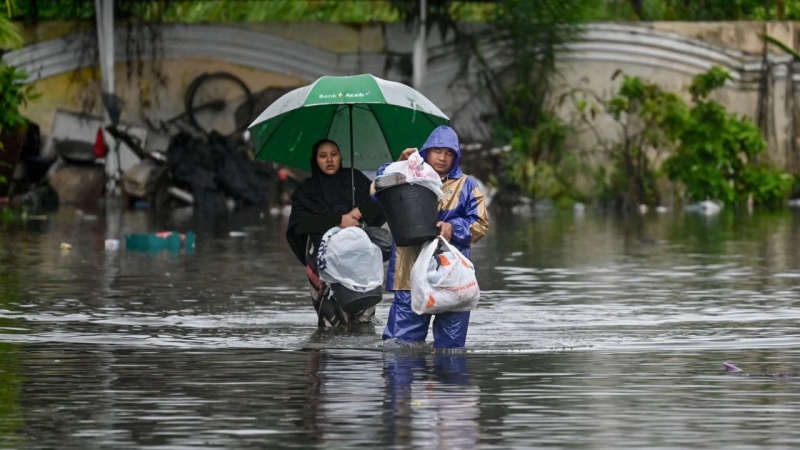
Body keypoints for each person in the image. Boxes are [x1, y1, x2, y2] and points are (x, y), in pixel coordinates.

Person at [377, 125, 489, 349]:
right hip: (408, 270)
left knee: (451, 349)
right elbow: (376, 191)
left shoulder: (467, 185)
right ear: (426, 151)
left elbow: (481, 223)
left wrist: (452, 228)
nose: (442, 158)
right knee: (400, 346)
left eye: (449, 153)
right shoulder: (406, 175)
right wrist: (399, 164)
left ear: (456, 157)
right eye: (437, 151)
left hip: (451, 275)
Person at [286, 138, 386, 327]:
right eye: (323, 156)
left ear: (340, 156)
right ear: (315, 160)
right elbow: (299, 226)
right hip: (323, 260)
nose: (329, 160)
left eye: (334, 154)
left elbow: (380, 205)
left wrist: (359, 212)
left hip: (358, 258)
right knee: (330, 324)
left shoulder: (355, 180)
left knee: (363, 321)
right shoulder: (306, 190)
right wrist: (339, 220)